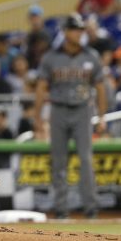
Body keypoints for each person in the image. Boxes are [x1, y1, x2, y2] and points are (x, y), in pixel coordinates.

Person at [34, 12, 107, 219]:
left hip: (83, 110)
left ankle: (90, 207)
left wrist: (102, 116)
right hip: (58, 110)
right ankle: (61, 208)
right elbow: (41, 88)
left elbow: (100, 88)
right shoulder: (51, 57)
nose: (79, 33)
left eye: (80, 29)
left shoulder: (91, 55)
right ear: (65, 32)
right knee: (58, 161)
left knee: (85, 159)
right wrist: (37, 117)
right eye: (75, 29)